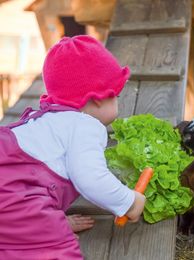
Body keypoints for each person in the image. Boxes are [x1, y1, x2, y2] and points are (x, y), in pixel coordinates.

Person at [0, 35, 146, 259]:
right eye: (115, 96)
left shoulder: (44, 119)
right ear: (98, 99)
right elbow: (91, 179)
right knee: (54, 253)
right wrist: (128, 202)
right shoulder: (85, 125)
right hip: (17, 204)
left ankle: (44, 226)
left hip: (10, 195)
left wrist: (55, 219)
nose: (118, 102)